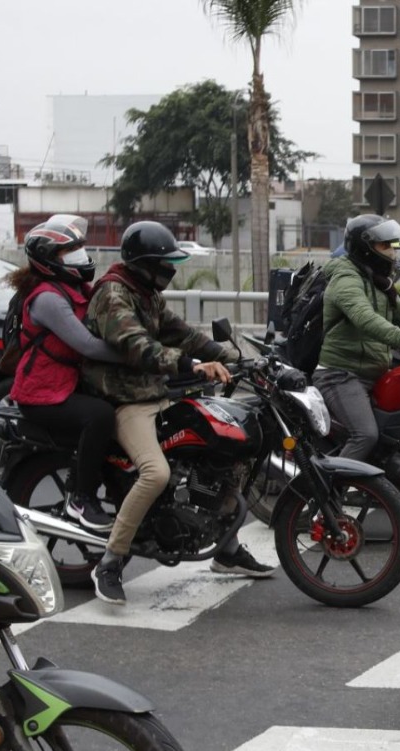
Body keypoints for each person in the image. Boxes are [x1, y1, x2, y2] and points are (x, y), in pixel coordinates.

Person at [82, 221, 271, 606]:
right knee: (156, 473)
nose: (170, 270)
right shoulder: (112, 294)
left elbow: (183, 334)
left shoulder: (146, 293)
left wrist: (239, 358)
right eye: (164, 263)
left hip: (158, 391)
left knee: (222, 453)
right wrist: (192, 365)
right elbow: (136, 345)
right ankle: (111, 562)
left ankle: (226, 549)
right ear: (144, 264)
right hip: (125, 399)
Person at [5, 215, 122, 533]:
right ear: (49, 260)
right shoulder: (48, 299)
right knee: (100, 416)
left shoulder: (76, 287)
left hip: (66, 385)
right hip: (41, 393)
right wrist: (139, 355)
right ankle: (82, 498)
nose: (79, 255)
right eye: (69, 251)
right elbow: (88, 345)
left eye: (79, 248)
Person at [313, 215, 400, 462]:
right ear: (365, 248)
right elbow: (365, 318)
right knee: (365, 435)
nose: (392, 253)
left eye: (393, 246)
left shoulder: (378, 281)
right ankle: (334, 484)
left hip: (375, 371)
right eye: (385, 246)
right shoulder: (346, 279)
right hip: (341, 375)